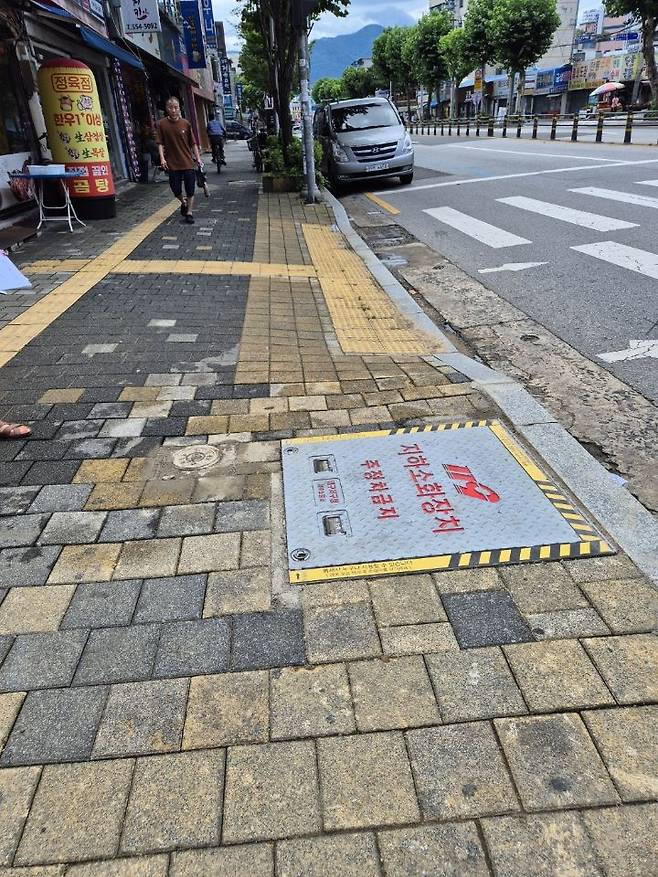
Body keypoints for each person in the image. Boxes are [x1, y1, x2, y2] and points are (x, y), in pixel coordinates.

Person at [156, 97, 203, 225]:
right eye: (171, 107)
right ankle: (183, 202)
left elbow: (193, 143)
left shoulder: (186, 123)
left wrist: (198, 158)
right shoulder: (161, 124)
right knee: (175, 188)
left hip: (187, 161)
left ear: (179, 108)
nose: (173, 110)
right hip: (172, 163)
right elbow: (160, 143)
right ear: (167, 108)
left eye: (176, 107)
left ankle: (189, 213)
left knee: (190, 189)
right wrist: (162, 158)